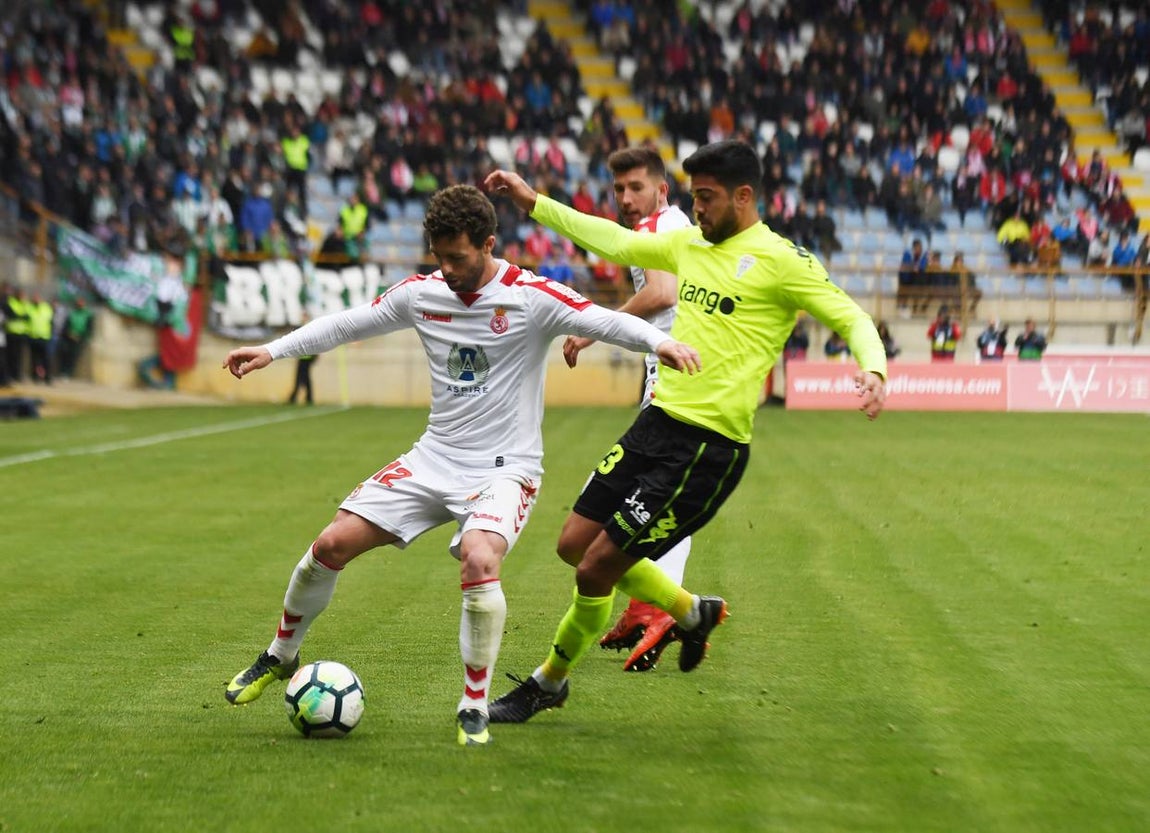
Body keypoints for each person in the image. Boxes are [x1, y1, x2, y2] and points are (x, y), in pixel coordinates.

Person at [219, 184, 700, 747]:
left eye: (457, 257)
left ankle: (473, 705)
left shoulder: (530, 295)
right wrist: (271, 351)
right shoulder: (422, 293)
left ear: (488, 244)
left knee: (478, 558)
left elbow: (601, 321)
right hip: (434, 457)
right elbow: (348, 323)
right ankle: (281, 654)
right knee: (330, 545)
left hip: (505, 470)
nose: (445, 269)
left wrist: (659, 343)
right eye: (438, 256)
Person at [481, 139, 887, 724]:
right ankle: (693, 613)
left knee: (596, 568)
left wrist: (873, 368)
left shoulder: (782, 261)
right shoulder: (688, 243)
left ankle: (549, 682)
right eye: (694, 196)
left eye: (707, 197)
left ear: (743, 196)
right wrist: (532, 201)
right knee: (572, 544)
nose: (697, 208)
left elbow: (851, 316)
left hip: (706, 450)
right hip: (657, 424)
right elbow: (613, 240)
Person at [560, 146, 695, 673]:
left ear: (661, 189)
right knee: (658, 495)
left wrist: (592, 330)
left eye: (636, 187)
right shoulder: (675, 224)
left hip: (674, 376)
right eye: (618, 189)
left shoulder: (657, 228)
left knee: (629, 500)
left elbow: (661, 293)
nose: (625, 198)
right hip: (679, 372)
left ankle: (659, 608)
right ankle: (648, 608)